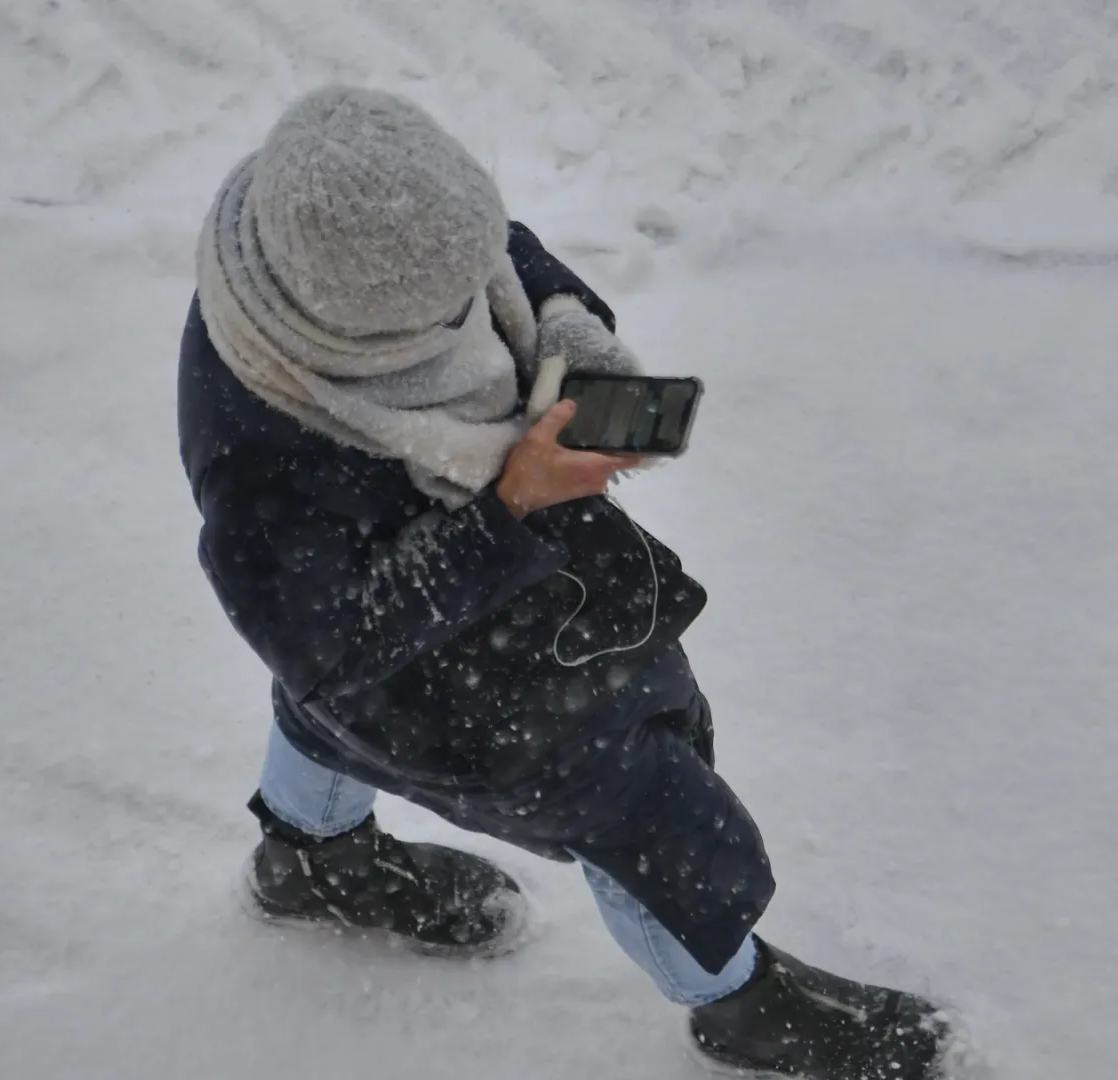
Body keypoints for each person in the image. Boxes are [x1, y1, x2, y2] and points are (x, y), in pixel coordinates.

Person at [176, 85, 953, 1079]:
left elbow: (508, 256)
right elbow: (331, 650)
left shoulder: (311, 246)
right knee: (634, 805)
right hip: (441, 679)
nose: (472, 312)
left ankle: (308, 860)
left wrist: (571, 342)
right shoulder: (261, 462)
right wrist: (511, 505)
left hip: (473, 615)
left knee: (323, 727)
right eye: (440, 319)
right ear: (352, 331)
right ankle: (736, 998)